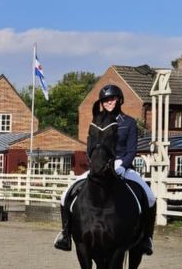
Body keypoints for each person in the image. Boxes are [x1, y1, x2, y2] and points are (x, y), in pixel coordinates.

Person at [53, 84, 156, 254]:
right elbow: (90, 147)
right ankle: (66, 234)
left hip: (122, 165)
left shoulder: (129, 123)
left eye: (112, 99)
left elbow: (131, 150)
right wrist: (95, 162)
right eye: (105, 100)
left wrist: (123, 166)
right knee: (66, 195)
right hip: (99, 165)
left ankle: (147, 239)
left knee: (150, 197)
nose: (109, 102)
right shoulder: (97, 122)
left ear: (119, 100)